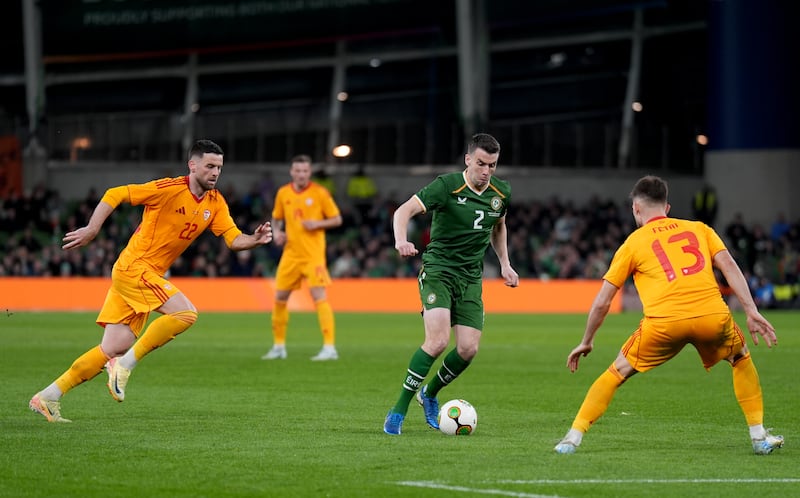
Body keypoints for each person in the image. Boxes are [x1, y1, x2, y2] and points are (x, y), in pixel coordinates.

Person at [29, 139, 273, 422]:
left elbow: (233, 240)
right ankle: (124, 365)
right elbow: (115, 193)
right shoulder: (168, 189)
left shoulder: (215, 203)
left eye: (219, 167)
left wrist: (254, 240)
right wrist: (92, 228)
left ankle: (48, 396)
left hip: (142, 274)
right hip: (135, 268)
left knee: (111, 348)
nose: (215, 172)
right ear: (192, 165)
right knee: (186, 313)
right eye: (209, 166)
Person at [553, 175, 783, 455]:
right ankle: (759, 437)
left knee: (617, 372)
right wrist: (750, 309)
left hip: (664, 324)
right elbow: (729, 265)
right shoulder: (700, 229)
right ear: (667, 207)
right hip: (712, 316)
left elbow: (603, 301)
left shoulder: (632, 244)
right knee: (740, 357)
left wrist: (587, 340)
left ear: (636, 209)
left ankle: (572, 439)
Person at [383, 133, 519, 435]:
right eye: (481, 163)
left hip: (471, 277)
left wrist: (506, 264)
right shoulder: (446, 186)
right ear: (468, 159)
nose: (486, 171)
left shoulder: (502, 192)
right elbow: (402, 210)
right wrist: (401, 240)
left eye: (492, 165)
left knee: (468, 349)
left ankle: (428, 394)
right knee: (438, 341)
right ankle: (398, 410)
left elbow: (498, 226)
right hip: (439, 270)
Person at [261, 154, 343, 361]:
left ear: (309, 172)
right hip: (290, 254)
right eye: (297, 171)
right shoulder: (283, 193)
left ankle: (329, 348)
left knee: (319, 297)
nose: (301, 174)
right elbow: (276, 218)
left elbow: (337, 219)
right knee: (279, 298)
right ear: (291, 172)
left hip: (313, 255)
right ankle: (279, 347)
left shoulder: (319, 193)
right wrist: (278, 232)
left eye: (305, 171)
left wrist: (317, 224)